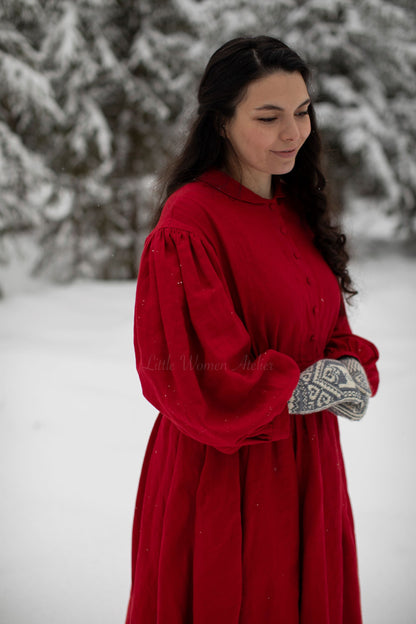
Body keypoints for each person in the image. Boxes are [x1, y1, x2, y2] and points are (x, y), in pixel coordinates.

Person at [125, 35, 380, 624]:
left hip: (309, 470)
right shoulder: (189, 222)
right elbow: (192, 374)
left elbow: (333, 332)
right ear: (221, 123)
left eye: (302, 111)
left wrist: (350, 370)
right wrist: (312, 387)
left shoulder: (294, 206)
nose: (293, 133)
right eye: (268, 117)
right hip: (223, 473)